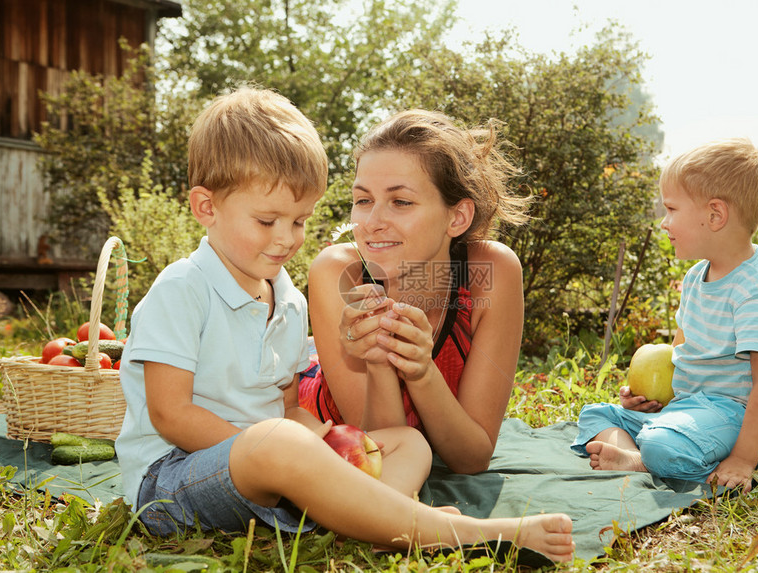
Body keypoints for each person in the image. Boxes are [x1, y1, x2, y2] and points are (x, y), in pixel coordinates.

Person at [115, 89, 575, 562]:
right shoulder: (183, 287)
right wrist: (299, 453)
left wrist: (320, 446)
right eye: (362, 200)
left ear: (457, 216)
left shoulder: (287, 298)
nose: (288, 239)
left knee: (408, 445)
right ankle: (443, 530)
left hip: (267, 468)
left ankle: (381, 523)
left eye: (298, 222)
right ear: (206, 208)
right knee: (282, 444)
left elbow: (290, 408)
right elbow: (169, 415)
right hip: (173, 478)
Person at [299, 109, 531, 475]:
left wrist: (421, 373)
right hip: (326, 414)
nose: (372, 223)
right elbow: (380, 453)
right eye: (363, 200)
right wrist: (378, 362)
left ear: (457, 218)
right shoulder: (336, 273)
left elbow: (472, 459)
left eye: (401, 202)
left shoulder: (492, 273)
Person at [570, 138, 758, 493]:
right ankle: (641, 455)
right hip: (688, 412)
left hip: (734, 419)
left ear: (715, 215)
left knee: (663, 445)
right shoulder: (696, 278)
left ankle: (644, 458)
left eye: (671, 209)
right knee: (597, 415)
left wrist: (742, 459)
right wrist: (654, 400)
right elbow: (683, 354)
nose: (664, 223)